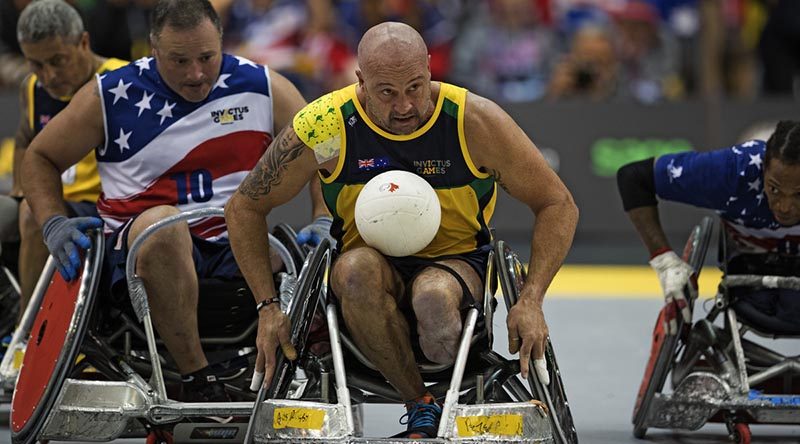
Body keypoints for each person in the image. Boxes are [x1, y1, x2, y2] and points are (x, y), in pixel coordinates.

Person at [225, 22, 578, 438]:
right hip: (368, 273)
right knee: (354, 269)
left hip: (456, 264)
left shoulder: (472, 121)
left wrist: (532, 300)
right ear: (361, 81)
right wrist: (268, 308)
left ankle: (440, 390)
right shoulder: (328, 125)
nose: (406, 105)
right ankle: (420, 404)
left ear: (430, 70)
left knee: (430, 294)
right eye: (387, 92)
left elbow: (558, 203)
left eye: (415, 87)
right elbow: (245, 207)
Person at [20, 0, 327, 402]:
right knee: (163, 226)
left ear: (222, 42)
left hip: (233, 241)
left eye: (206, 57)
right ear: (153, 51)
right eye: (179, 61)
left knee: (292, 253)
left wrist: (323, 215)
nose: (196, 74)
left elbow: (322, 146)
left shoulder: (261, 85)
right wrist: (52, 222)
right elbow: (38, 157)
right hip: (140, 249)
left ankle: (302, 369)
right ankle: (197, 379)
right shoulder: (112, 94)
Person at [617, 120, 800, 335]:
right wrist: (664, 262)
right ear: (763, 169)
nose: (785, 207)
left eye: (799, 194)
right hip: (749, 282)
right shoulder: (734, 170)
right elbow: (633, 177)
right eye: (774, 189)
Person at [7, 0, 128, 323]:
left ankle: (27, 329)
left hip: (102, 208)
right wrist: (21, 186)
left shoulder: (123, 80)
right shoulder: (32, 88)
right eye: (36, 64)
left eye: (57, 61)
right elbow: (23, 139)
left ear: (84, 42)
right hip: (54, 200)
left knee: (32, 214)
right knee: (21, 208)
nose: (48, 75)